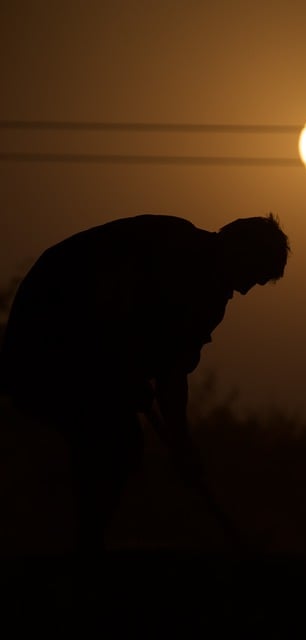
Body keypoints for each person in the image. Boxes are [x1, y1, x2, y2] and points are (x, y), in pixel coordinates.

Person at [0, 213, 290, 552]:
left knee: (113, 442)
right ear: (238, 249)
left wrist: (181, 442)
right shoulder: (174, 250)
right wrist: (125, 373)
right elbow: (113, 309)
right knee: (113, 440)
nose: (243, 289)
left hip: (78, 349)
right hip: (48, 335)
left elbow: (171, 372)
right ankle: (75, 547)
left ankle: (78, 542)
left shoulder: (206, 292)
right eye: (251, 275)